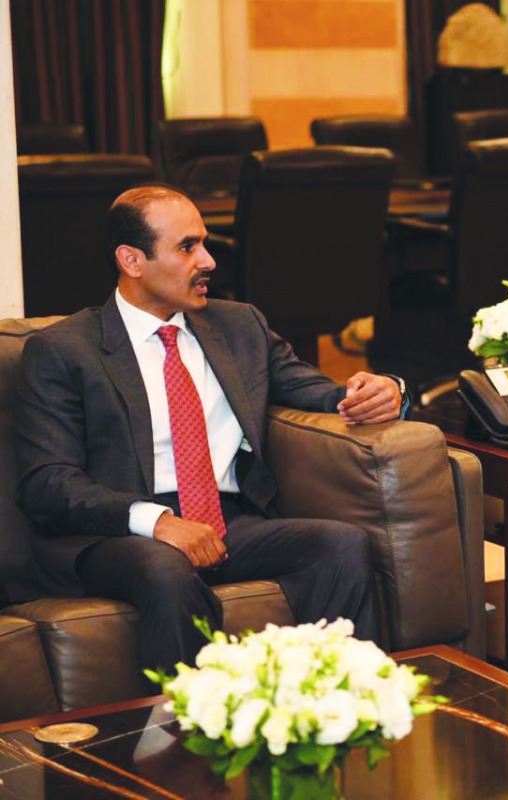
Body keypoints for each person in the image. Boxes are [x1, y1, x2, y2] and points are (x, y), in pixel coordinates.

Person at [14, 184, 409, 682]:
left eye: (204, 242)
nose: (208, 261)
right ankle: (186, 742)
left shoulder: (239, 325)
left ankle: (336, 710)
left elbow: (322, 393)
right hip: (121, 532)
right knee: (165, 571)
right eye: (187, 247)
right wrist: (157, 521)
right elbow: (47, 484)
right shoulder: (64, 350)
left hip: (228, 519)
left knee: (342, 545)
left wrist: (384, 390)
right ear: (132, 260)